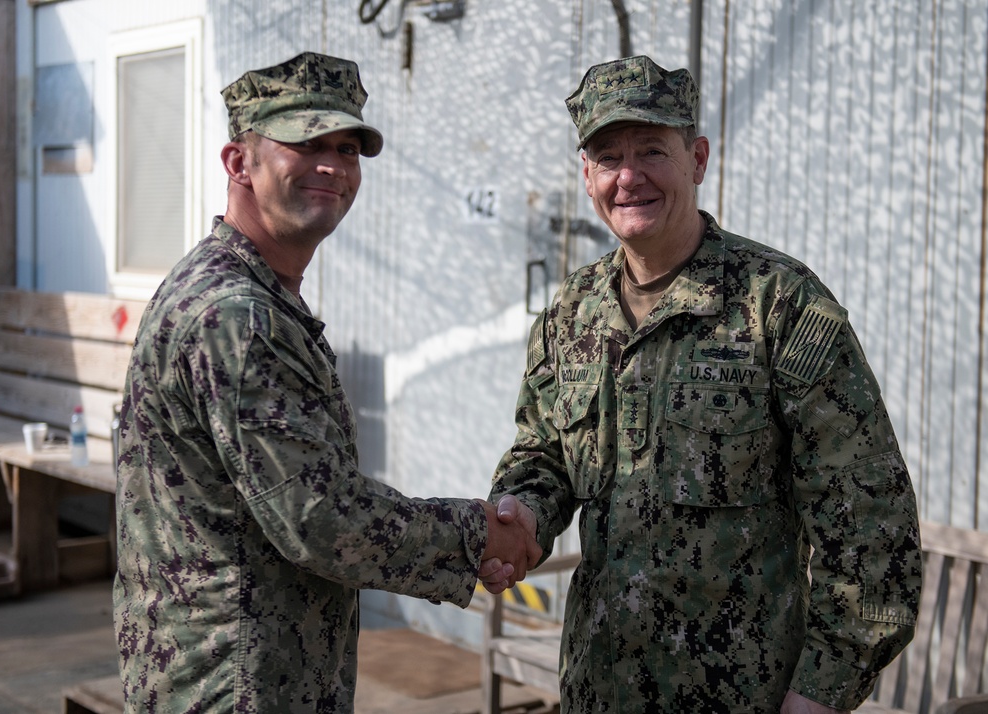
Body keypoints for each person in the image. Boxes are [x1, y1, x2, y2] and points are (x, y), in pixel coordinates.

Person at [485, 56, 923, 713]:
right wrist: (519, 514)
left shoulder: (779, 305)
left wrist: (822, 690)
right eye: (608, 157)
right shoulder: (570, 313)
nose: (629, 177)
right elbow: (543, 455)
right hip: (597, 691)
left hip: (740, 696)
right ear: (586, 175)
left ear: (697, 158)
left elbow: (868, 523)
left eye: (652, 151)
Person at [113, 52, 539, 713]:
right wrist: (478, 537)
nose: (334, 167)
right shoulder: (239, 315)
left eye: (347, 148)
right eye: (307, 144)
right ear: (239, 163)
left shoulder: (241, 290)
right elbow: (318, 516)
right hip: (238, 685)